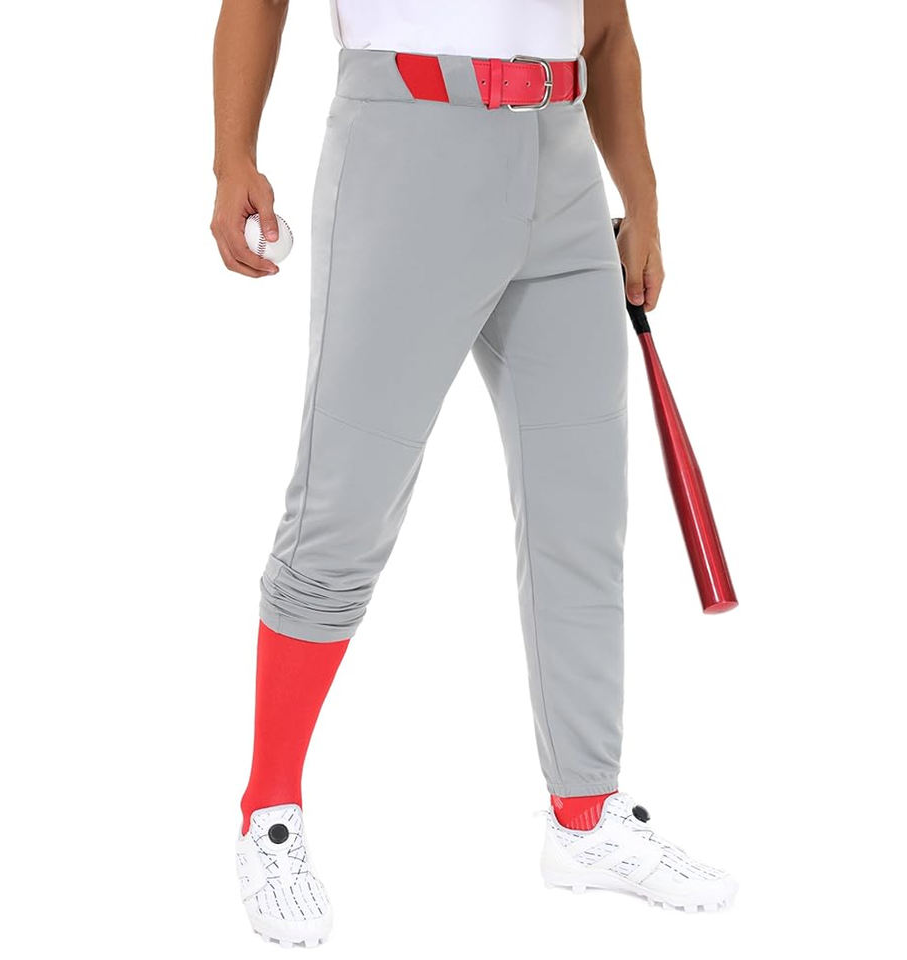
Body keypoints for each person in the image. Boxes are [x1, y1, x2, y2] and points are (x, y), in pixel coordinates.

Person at [212, 0, 736, 946]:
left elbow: (606, 27)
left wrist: (644, 202)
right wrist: (232, 158)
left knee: (581, 515)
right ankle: (269, 812)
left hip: (564, 164)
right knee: (343, 504)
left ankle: (585, 815)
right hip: (407, 148)